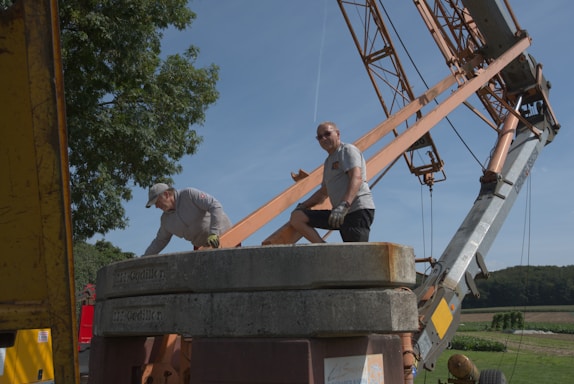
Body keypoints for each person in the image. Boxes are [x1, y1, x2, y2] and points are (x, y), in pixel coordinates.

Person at [289, 121, 375, 243]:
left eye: (327, 134)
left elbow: (356, 178)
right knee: (297, 217)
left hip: (356, 210)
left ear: (338, 134)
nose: (323, 138)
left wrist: (344, 205)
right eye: (319, 137)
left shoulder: (347, 150)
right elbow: (323, 193)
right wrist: (303, 205)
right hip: (338, 214)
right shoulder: (328, 162)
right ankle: (323, 249)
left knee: (355, 256)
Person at [143, 183, 232, 256]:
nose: (157, 206)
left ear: (166, 194)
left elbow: (215, 206)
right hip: (202, 248)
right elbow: (160, 241)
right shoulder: (166, 220)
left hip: (224, 236)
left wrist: (213, 232)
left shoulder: (188, 194)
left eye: (157, 202)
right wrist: (143, 258)